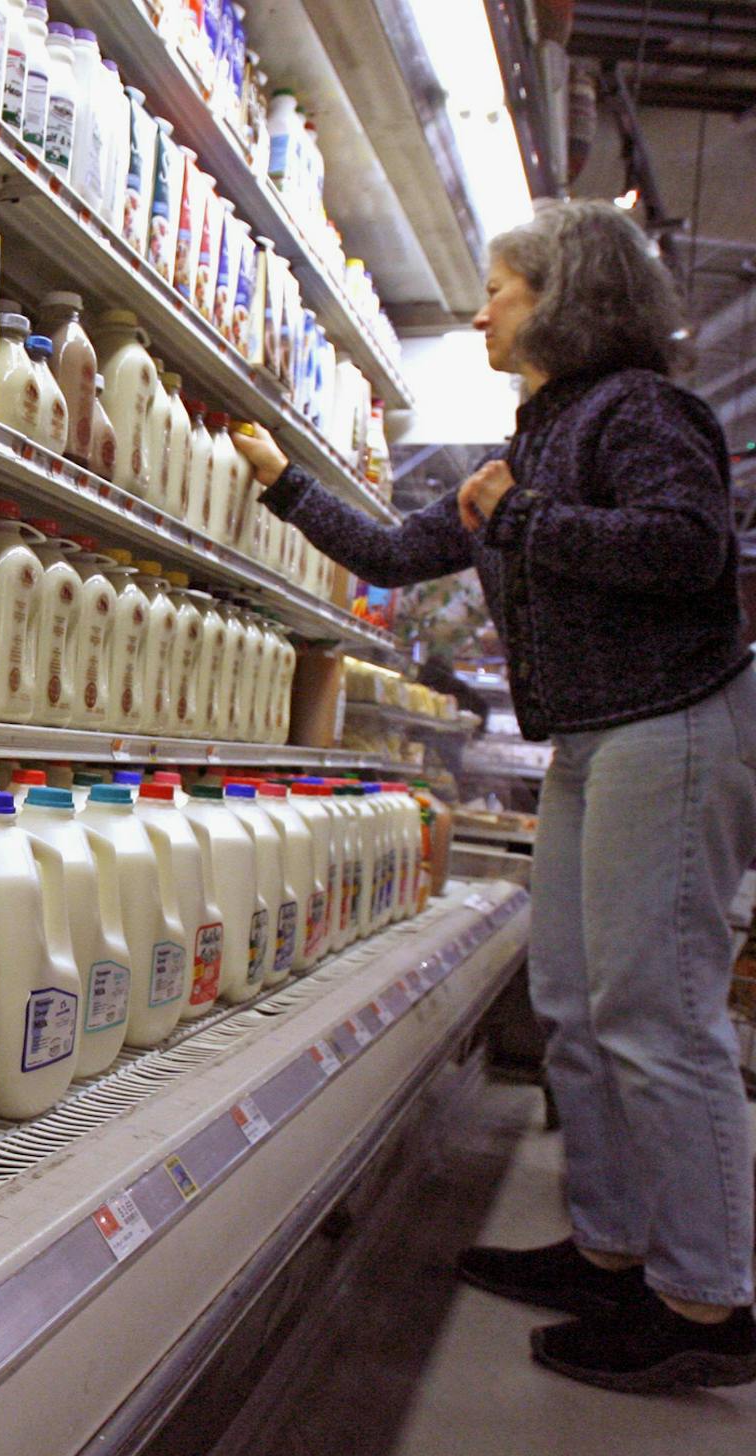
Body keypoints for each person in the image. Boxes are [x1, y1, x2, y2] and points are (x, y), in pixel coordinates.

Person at [232, 198, 756, 1395]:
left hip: (669, 722)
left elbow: (689, 547)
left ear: (563, 298)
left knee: (658, 1009)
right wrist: (276, 480)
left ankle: (706, 1296)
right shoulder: (541, 429)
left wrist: (517, 516)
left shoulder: (641, 412)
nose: (479, 311)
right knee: (575, 999)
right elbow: (393, 550)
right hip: (599, 737)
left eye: (500, 290)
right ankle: (613, 1247)